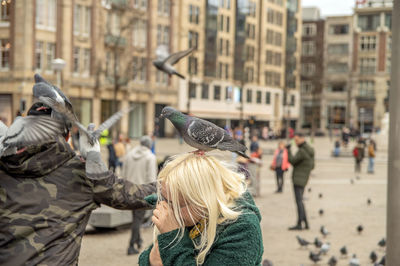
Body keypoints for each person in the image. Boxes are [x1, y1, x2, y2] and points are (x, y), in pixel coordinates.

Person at [0, 102, 156, 266]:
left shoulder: (3, 166)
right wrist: (177, 178)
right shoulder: (84, 174)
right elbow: (137, 196)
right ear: (68, 137)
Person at [139, 153, 264, 265]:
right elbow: (152, 258)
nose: (167, 211)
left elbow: (164, 256)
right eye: (165, 200)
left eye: (176, 204)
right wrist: (151, 260)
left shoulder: (243, 229)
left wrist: (171, 239)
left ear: (203, 201)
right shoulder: (191, 217)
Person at [121, 136, 157, 255]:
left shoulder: (129, 155)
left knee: (136, 218)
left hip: (129, 191)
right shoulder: (150, 157)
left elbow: (123, 174)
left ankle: (138, 240)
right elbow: (152, 179)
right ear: (149, 145)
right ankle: (131, 245)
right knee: (138, 219)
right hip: (143, 192)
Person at [287, 132, 315, 230]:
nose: (296, 142)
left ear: (302, 139)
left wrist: (288, 150)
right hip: (304, 179)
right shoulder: (309, 150)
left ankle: (299, 224)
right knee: (301, 201)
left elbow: (292, 160)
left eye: (297, 140)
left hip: (298, 179)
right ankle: (306, 223)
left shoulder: (302, 151)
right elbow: (312, 166)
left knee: (299, 202)